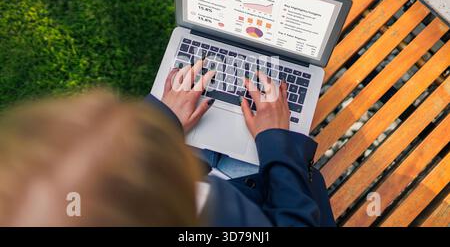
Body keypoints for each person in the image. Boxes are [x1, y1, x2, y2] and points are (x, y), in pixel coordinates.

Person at [0, 59, 335, 226]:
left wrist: (162, 120)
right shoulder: (218, 217)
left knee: (204, 114)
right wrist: (274, 139)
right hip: (264, 200)